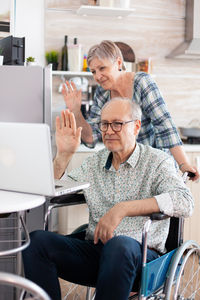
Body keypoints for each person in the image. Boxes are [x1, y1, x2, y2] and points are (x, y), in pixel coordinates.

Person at [23, 98, 194, 300]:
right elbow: (52, 191)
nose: (109, 130)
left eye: (117, 124)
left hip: (143, 259)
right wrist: (63, 155)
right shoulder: (94, 163)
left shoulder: (157, 161)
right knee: (36, 242)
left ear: (136, 127)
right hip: (97, 251)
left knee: (119, 245)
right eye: (104, 124)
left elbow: (185, 201)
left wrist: (122, 209)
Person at [62, 40, 199, 181]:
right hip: (126, 171)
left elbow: (165, 126)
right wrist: (76, 111)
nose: (97, 76)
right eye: (93, 71)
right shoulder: (102, 94)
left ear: (119, 63)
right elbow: (91, 138)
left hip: (154, 166)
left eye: (102, 68)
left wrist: (184, 164)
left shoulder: (142, 83)